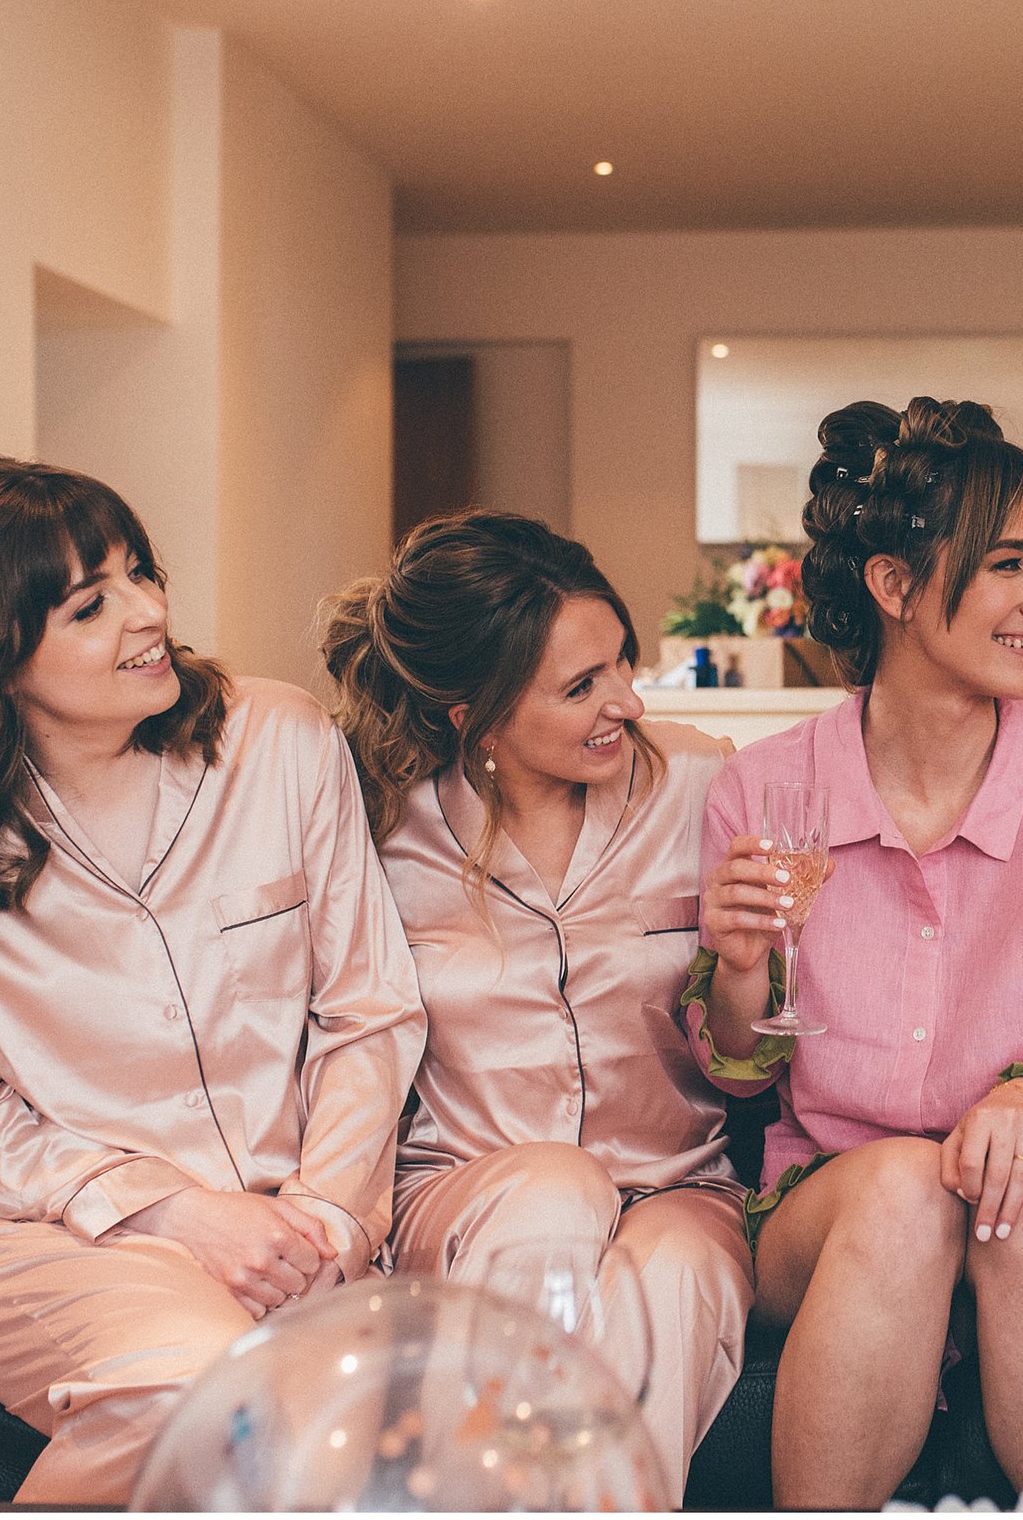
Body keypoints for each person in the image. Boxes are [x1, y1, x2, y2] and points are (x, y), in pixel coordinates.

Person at [0, 456, 424, 1504]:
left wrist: (328, 1219)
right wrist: (180, 1213)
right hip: (38, 1235)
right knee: (210, 1395)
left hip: (292, 1220)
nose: (149, 613)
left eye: (142, 574)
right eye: (91, 603)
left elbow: (369, 1010)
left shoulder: (278, 739)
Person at [690, 398, 1023, 1507]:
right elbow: (738, 1067)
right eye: (1009, 564)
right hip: (830, 1199)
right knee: (906, 1194)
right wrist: (736, 968)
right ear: (895, 584)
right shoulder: (765, 790)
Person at [320, 510, 751, 1507]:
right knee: (554, 1190)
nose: (629, 701)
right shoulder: (375, 825)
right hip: (468, 1197)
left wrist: (743, 968)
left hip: (676, 1183)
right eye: (582, 686)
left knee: (678, 1272)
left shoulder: (704, 783)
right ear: (472, 710)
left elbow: (752, 1057)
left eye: (623, 664)